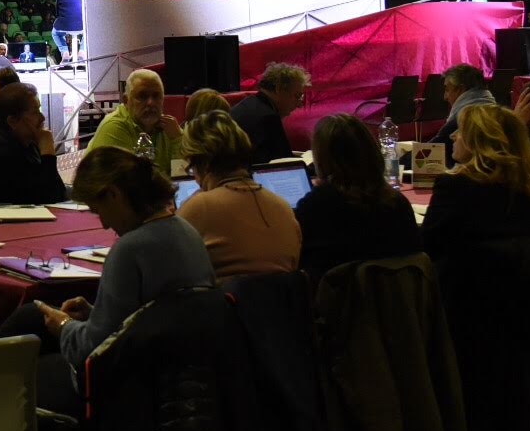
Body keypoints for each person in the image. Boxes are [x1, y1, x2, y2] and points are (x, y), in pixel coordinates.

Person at [12, 146, 214, 414]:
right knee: (31, 315)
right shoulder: (187, 232)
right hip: (177, 371)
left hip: (129, 383)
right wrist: (94, 314)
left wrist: (63, 326)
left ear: (114, 194)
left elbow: (92, 350)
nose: (104, 224)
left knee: (18, 370)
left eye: (99, 211)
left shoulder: (130, 250)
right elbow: (144, 317)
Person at [176, 110, 301, 281]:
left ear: (203, 163)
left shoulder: (199, 207)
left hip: (223, 305)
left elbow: (167, 270)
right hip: (283, 305)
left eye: (192, 168)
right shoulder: (283, 207)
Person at [296, 113, 422, 280]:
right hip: (396, 302)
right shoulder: (397, 203)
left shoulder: (314, 206)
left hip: (332, 302)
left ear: (322, 158)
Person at [419, 104, 530, 261]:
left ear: (477, 141)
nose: (453, 136)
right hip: (522, 282)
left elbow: (429, 243)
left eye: (460, 130)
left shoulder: (454, 186)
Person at [0, 83, 64, 205]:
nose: (42, 118)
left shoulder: (27, 146)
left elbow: (60, 193)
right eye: (35, 112)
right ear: (13, 121)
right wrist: (48, 153)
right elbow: (48, 198)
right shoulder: (3, 154)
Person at [88, 69, 180, 169]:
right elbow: (133, 180)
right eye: (142, 96)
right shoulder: (114, 127)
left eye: (156, 96)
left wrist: (178, 140)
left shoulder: (169, 128)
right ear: (126, 100)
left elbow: (187, 171)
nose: (151, 102)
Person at [229, 62, 309, 164]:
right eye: (297, 96)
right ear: (279, 89)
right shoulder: (268, 117)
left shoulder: (248, 103)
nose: (299, 105)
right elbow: (285, 166)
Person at [432, 64, 498, 144]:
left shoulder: (460, 121)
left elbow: (430, 151)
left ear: (460, 89)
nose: (445, 97)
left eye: (447, 90)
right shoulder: (502, 116)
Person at [51, 0, 90, 65]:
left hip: (64, 25)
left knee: (55, 33)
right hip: (82, 25)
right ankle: (82, 51)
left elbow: (57, 11)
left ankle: (64, 52)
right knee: (90, 32)